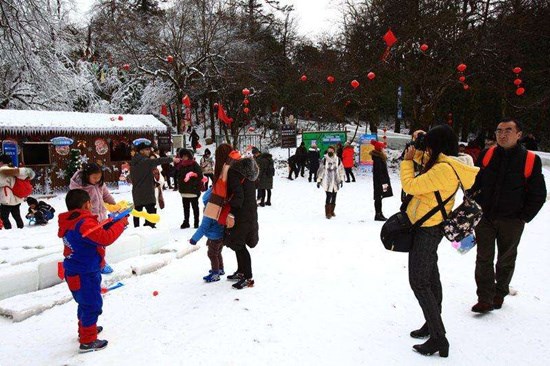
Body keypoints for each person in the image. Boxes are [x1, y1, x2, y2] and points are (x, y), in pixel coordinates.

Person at [401, 125, 479, 358]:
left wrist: (406, 163)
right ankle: (431, 323)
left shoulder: (444, 169)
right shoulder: (446, 163)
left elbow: (411, 185)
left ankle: (438, 337)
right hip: (428, 226)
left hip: (427, 229)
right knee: (431, 278)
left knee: (420, 282)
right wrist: (417, 149)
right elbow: (429, 164)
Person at [470, 118, 546, 313]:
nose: (502, 135)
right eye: (499, 130)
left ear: (519, 135)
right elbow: (475, 182)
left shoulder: (530, 159)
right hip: (485, 217)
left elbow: (538, 194)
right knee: (483, 258)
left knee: (506, 259)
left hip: (512, 220)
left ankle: (499, 293)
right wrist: (472, 201)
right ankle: (484, 298)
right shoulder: (487, 155)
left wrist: (523, 216)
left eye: (508, 131)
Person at [58, 189, 128, 353]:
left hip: (78, 270)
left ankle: (85, 330)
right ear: (87, 204)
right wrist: (120, 224)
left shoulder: (73, 221)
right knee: (92, 305)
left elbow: (95, 234)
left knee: (85, 303)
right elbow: (105, 238)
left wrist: (112, 221)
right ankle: (88, 341)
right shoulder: (84, 223)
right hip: (84, 272)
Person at [70, 163, 118, 273]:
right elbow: (77, 204)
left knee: (101, 244)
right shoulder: (80, 187)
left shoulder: (100, 184)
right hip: (88, 220)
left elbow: (106, 196)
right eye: (95, 178)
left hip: (101, 218)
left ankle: (101, 263)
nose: (97, 180)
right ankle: (94, 265)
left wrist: (115, 207)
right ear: (87, 176)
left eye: (99, 177)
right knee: (92, 245)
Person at [225, 156, 260, 290]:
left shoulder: (234, 173)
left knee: (239, 245)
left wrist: (231, 213)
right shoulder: (250, 176)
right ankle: (241, 271)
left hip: (240, 214)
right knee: (239, 243)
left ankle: (248, 277)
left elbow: (238, 195)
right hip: (250, 213)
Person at [130, 140, 179, 227]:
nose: (149, 151)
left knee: (137, 213)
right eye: (147, 149)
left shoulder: (134, 161)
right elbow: (158, 161)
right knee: (151, 215)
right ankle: (150, 230)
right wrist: (172, 159)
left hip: (137, 192)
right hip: (147, 192)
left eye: (149, 149)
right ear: (141, 151)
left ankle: (136, 230)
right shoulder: (144, 161)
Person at [189, 187, 226, 282]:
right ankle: (220, 269)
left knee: (212, 254)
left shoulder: (209, 212)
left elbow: (203, 228)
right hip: (221, 235)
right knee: (218, 253)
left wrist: (194, 239)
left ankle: (215, 273)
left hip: (214, 237)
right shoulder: (220, 207)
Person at [0, 154, 35, 229]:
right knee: (17, 216)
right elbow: (31, 174)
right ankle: (20, 228)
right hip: (17, 197)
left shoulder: (2, 170)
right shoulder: (15, 169)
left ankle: (8, 229)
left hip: (7, 198)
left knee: (4, 216)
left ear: (1, 162)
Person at [175, 149, 203, 229]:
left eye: (185, 156)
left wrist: (194, 185)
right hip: (184, 191)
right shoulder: (181, 165)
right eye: (182, 156)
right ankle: (186, 221)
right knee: (186, 208)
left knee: (195, 207)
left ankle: (196, 222)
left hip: (193, 191)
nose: (184, 158)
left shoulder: (194, 164)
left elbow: (199, 175)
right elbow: (178, 176)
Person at [316, 146, 345, 219]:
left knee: (334, 196)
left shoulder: (338, 159)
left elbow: (341, 170)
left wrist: (341, 179)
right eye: (329, 150)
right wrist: (319, 180)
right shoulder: (324, 159)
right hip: (327, 181)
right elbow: (321, 170)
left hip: (335, 180)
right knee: (329, 196)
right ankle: (327, 212)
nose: (330, 151)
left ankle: (332, 211)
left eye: (331, 150)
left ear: (334, 151)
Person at [370, 140, 393, 221]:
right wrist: (383, 182)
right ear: (379, 149)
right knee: (378, 197)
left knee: (379, 197)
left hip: (380, 180)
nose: (384, 149)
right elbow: (379, 172)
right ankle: (378, 214)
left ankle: (379, 213)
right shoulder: (378, 159)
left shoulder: (379, 157)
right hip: (379, 181)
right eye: (382, 148)